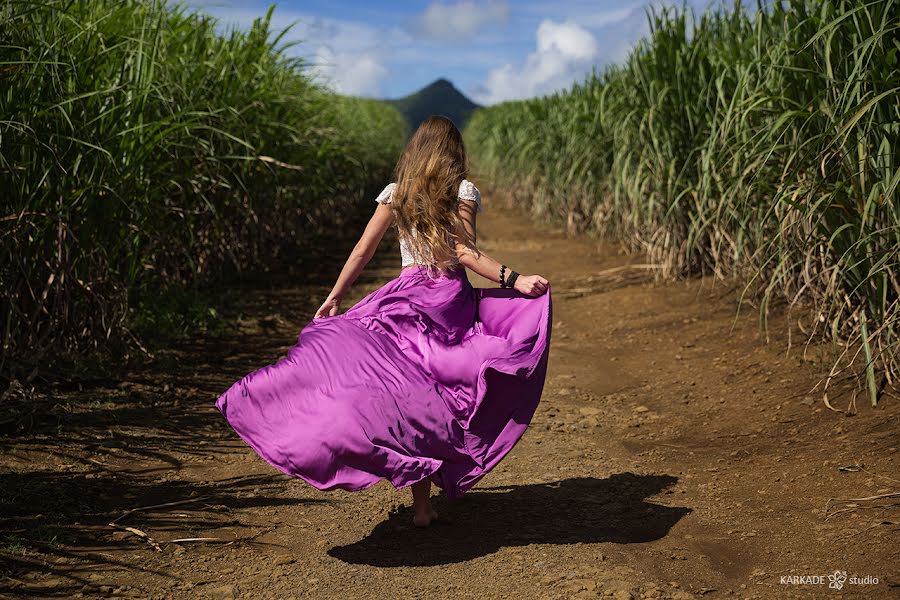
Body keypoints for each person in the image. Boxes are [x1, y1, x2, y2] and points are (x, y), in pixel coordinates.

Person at [216, 115, 552, 528]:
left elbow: (363, 250)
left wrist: (336, 296)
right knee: (440, 389)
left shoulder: (398, 193)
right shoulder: (461, 191)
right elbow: (463, 252)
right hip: (447, 299)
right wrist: (515, 280)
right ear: (453, 152)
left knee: (401, 385)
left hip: (405, 296)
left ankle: (418, 499)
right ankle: (428, 498)